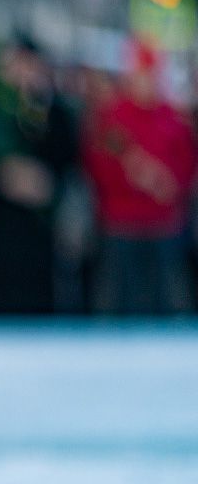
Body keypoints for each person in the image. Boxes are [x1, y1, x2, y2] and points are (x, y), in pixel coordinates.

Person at [82, 40, 196, 314]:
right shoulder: (111, 117)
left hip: (163, 222)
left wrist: (168, 183)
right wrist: (133, 179)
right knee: (121, 297)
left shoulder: (172, 118)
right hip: (121, 222)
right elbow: (99, 164)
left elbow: (186, 163)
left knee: (166, 297)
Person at [0, 34, 78, 313]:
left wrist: (46, 183)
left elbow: (67, 157)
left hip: (40, 226)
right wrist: (3, 175)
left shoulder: (54, 112)